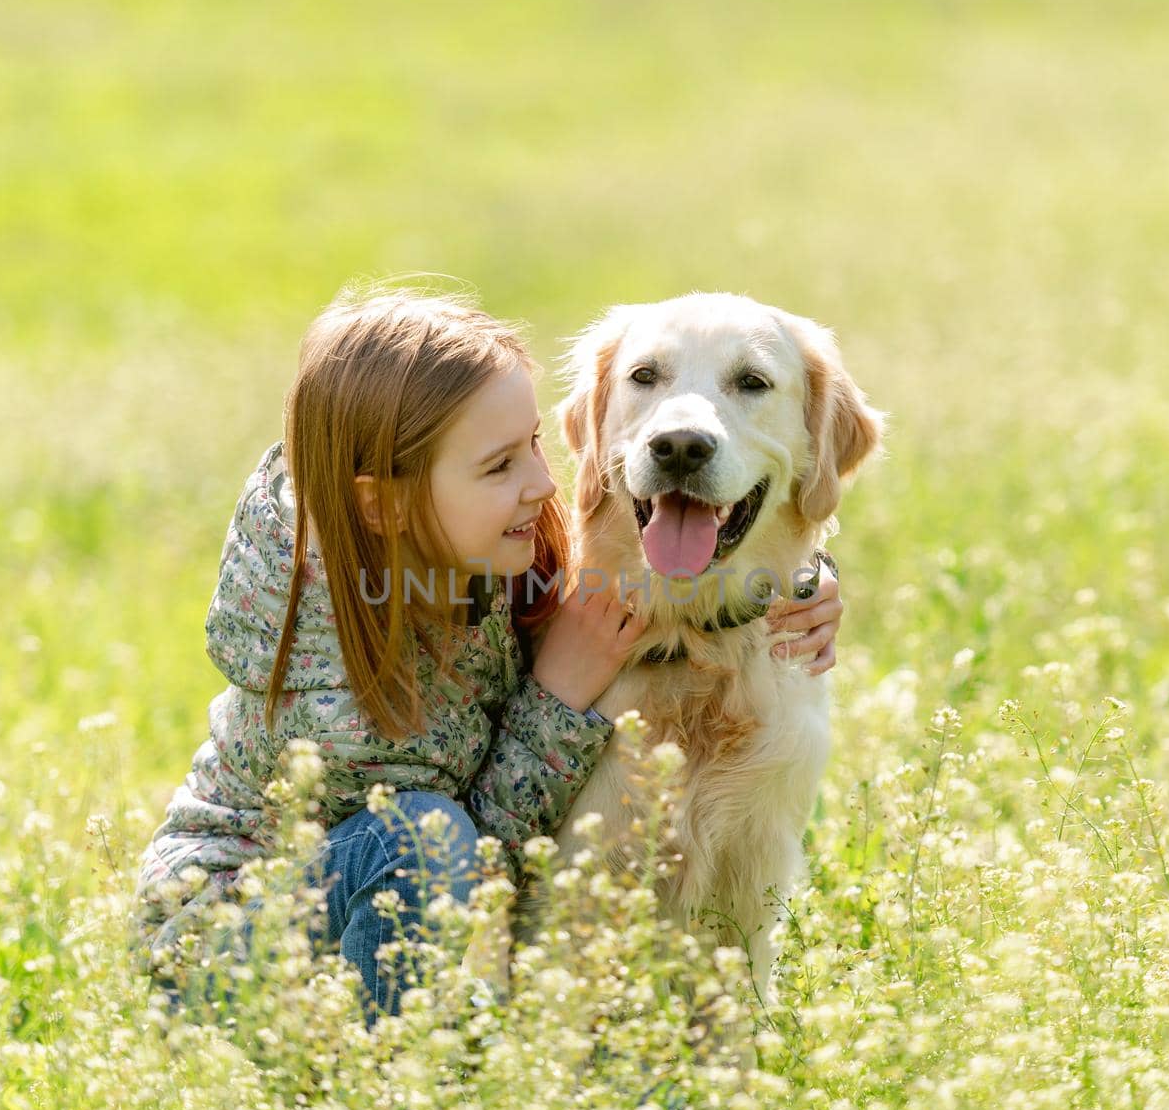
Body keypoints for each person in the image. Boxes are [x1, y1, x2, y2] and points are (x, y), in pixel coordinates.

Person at [131, 283, 845, 1029]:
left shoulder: (494, 548)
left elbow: (759, 531)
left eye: (535, 445)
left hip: (380, 921)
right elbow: (478, 862)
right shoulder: (335, 678)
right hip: (225, 950)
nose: (547, 483)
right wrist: (559, 699)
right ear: (387, 505)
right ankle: (406, 1086)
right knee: (422, 834)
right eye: (499, 465)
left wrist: (805, 584)